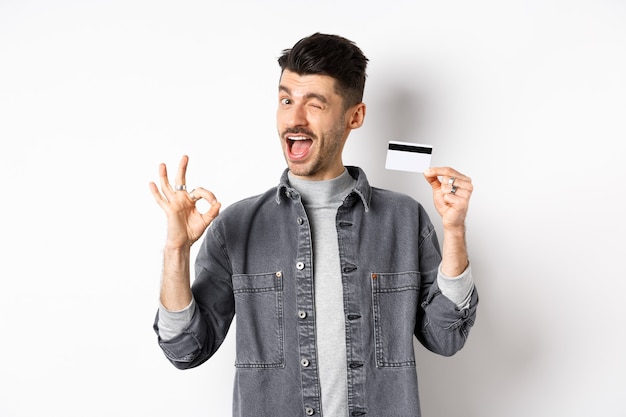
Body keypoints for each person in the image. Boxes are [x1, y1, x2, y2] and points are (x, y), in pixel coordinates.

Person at [149, 32, 478, 417]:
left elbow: (446, 337)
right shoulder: (236, 227)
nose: (294, 118)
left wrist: (454, 231)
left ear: (354, 116)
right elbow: (185, 350)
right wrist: (176, 250)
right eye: (286, 100)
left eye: (315, 104)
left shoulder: (403, 220)